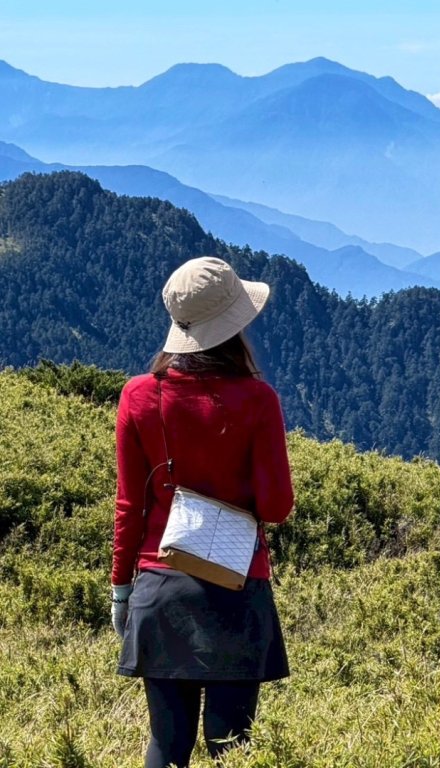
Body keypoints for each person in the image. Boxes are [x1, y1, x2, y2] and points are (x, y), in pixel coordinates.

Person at [110, 256, 294, 768]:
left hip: (159, 591)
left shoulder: (138, 395)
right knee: (229, 749)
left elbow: (129, 505)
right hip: (237, 587)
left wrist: (121, 591)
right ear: (233, 325)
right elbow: (277, 508)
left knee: (167, 746)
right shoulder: (258, 399)